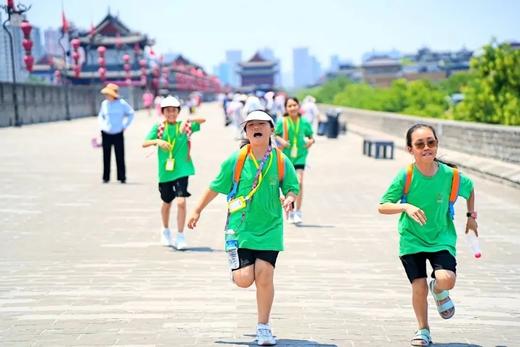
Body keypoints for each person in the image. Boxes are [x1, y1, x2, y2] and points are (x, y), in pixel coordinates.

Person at [187, 110, 299, 346]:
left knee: (265, 274)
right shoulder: (237, 159)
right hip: (240, 229)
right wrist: (197, 210)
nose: (256, 128)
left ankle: (264, 327)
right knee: (244, 280)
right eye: (251, 125)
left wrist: (289, 198)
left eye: (261, 124)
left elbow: (291, 187)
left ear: (271, 129)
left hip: (271, 227)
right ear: (246, 131)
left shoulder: (280, 160)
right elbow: (215, 186)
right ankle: (237, 270)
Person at [378, 124, 478, 346]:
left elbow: (470, 189)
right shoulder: (406, 175)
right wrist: (406, 208)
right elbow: (383, 205)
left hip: (441, 237)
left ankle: (439, 290)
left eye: (431, 142)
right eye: (420, 144)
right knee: (419, 285)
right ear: (410, 149)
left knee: (446, 280)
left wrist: (472, 216)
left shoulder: (450, 175)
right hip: (411, 238)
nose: (426, 147)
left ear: (436, 144)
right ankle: (423, 330)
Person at [143, 96, 206, 250]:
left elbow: (203, 120)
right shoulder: (159, 128)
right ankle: (165, 230)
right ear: (162, 112)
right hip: (165, 172)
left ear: (178, 111)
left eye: (174, 110)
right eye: (167, 110)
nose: (171, 113)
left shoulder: (184, 126)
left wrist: (188, 120)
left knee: (181, 201)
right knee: (166, 202)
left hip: (182, 170)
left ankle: (180, 235)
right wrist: (158, 141)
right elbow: (145, 143)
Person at [274, 97, 315, 224]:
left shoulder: (304, 122)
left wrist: (310, 142)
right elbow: (274, 134)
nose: (292, 108)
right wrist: (282, 142)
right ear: (286, 108)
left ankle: (298, 211)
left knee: (299, 183)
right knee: (288, 186)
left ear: (299, 106)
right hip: (286, 158)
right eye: (290, 106)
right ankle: (290, 210)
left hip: (300, 157)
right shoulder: (283, 121)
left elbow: (311, 136)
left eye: (294, 105)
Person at [98, 83, 135, 184]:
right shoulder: (104, 104)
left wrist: (125, 125)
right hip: (106, 132)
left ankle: (122, 177)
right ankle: (106, 177)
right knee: (106, 156)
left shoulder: (122, 103)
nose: (106, 96)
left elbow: (131, 113)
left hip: (118, 132)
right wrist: (102, 126)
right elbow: (101, 116)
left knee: (120, 155)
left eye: (108, 94)